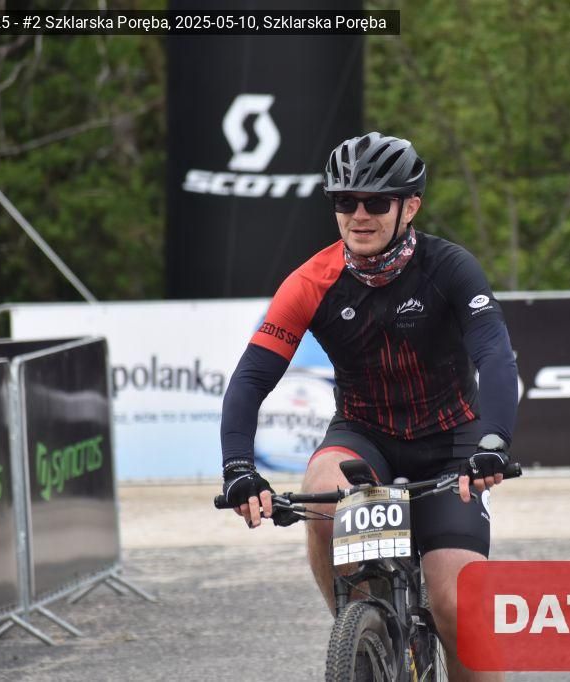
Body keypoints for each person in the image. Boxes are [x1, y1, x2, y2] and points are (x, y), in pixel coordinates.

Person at [219, 132, 519, 681]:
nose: (359, 215)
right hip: (365, 434)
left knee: (458, 609)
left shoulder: (450, 268)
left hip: (449, 443)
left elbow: (495, 355)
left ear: (410, 207)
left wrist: (494, 441)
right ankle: (363, 632)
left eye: (376, 202)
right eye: (344, 201)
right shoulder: (310, 281)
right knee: (320, 496)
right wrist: (238, 467)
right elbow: (252, 378)